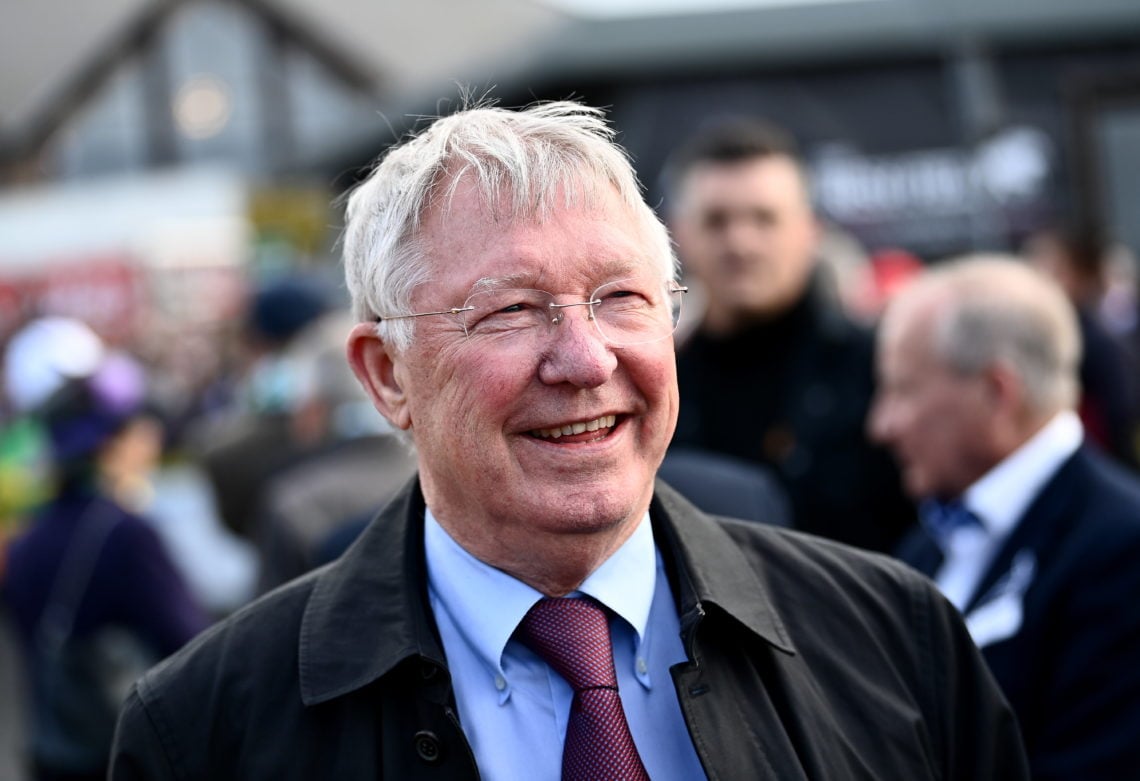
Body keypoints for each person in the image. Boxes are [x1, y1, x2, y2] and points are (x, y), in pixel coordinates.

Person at [108, 100, 1027, 780]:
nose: (585, 359)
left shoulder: (896, 643)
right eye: (510, 311)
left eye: (621, 298)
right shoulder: (202, 732)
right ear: (388, 375)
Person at [868, 254, 1140, 780]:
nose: (882, 425)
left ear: (997, 392)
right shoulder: (930, 541)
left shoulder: (1122, 551)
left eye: (903, 389)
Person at [663, 117, 913, 552]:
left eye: (764, 218)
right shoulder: (657, 380)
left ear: (810, 231)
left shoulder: (881, 370)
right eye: (716, 220)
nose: (740, 242)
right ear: (678, 234)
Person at [2, 351, 209, 781]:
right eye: (138, 427)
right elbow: (192, 646)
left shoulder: (24, 543)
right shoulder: (124, 534)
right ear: (110, 445)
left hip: (53, 753)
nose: (151, 437)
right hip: (126, 753)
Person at [1023, 222, 1138, 467]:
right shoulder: (1037, 339)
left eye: (1053, 272)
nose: (1040, 282)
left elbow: (1121, 423)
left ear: (1081, 278)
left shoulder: (1098, 344)